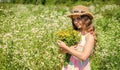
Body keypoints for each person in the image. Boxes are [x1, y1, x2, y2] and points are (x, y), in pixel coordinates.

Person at [57, 5, 97, 70]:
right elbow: (61, 52)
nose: (75, 22)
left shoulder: (89, 37)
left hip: (81, 67)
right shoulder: (74, 34)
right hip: (69, 66)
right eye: (74, 19)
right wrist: (64, 49)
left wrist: (67, 48)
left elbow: (84, 56)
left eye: (78, 18)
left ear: (86, 19)